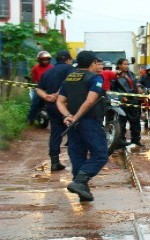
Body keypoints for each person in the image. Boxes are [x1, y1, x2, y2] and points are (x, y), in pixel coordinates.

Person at [56, 50, 108, 202]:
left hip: (73, 124)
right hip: (89, 122)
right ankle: (79, 182)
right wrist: (76, 117)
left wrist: (68, 116)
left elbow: (60, 101)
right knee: (100, 155)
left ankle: (82, 191)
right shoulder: (95, 78)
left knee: (77, 154)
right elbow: (90, 100)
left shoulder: (70, 78)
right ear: (92, 63)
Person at [36, 50, 75, 172]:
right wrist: (58, 95)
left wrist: (47, 96)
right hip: (66, 106)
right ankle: (77, 163)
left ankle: (54, 162)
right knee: (74, 132)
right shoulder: (70, 69)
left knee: (55, 133)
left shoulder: (48, 72)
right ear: (68, 59)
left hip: (52, 107)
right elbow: (68, 83)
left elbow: (38, 88)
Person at [111, 58, 144, 147]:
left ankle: (136, 140)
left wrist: (139, 87)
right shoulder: (115, 75)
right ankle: (120, 141)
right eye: (124, 64)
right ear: (119, 65)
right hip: (122, 100)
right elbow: (112, 87)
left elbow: (136, 82)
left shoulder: (131, 73)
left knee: (136, 120)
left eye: (127, 64)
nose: (126, 66)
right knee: (121, 121)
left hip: (133, 99)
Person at [27, 51, 53, 124]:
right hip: (39, 88)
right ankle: (30, 119)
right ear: (39, 60)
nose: (45, 61)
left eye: (47, 59)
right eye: (43, 59)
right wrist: (36, 85)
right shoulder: (35, 68)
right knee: (34, 103)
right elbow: (33, 79)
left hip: (50, 88)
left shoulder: (52, 67)